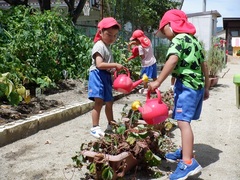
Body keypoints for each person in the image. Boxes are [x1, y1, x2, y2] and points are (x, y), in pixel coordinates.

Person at [149, 9, 210, 180]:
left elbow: (173, 60)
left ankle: (188, 163)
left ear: (170, 25)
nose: (165, 35)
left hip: (187, 87)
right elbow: (203, 64)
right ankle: (185, 151)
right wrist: (206, 87)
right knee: (186, 121)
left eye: (164, 30)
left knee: (183, 122)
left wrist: (158, 81)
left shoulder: (178, 39)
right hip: (197, 86)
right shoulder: (194, 41)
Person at [88, 17, 124, 138]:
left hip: (106, 76)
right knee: (99, 101)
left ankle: (111, 124)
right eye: (109, 34)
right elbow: (99, 64)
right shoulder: (99, 45)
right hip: (97, 75)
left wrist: (114, 78)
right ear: (101, 32)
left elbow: (108, 67)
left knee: (109, 101)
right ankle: (95, 127)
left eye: (114, 36)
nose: (112, 38)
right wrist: (115, 65)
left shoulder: (107, 47)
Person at [127, 30, 157, 94]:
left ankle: (145, 89)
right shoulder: (148, 42)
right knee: (154, 76)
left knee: (144, 77)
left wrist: (132, 48)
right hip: (153, 61)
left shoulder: (140, 47)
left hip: (146, 64)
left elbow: (142, 56)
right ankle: (157, 87)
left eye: (135, 40)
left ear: (137, 39)